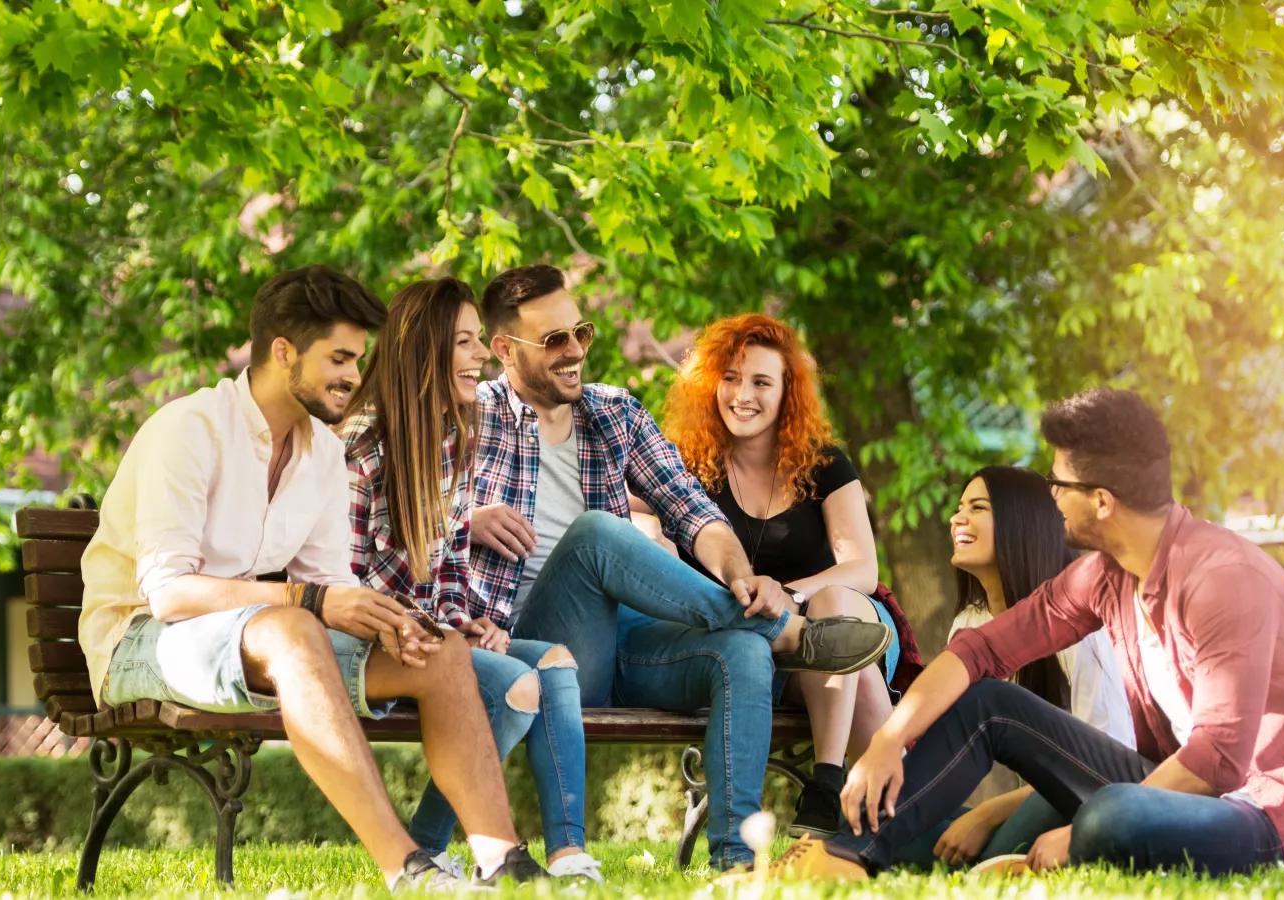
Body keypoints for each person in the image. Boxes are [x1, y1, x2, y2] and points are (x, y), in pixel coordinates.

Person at [745, 387, 1284, 881]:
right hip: (1171, 785)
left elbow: (1221, 758)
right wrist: (887, 738)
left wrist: (1080, 828)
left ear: (1102, 500)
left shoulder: (1224, 578)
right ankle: (849, 857)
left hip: (1268, 816)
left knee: (1114, 813)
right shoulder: (1103, 576)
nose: (1050, 493)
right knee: (988, 703)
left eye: (1059, 482)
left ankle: (1055, 856)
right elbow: (982, 651)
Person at [78, 265, 543, 892]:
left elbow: (328, 584)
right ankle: (406, 867)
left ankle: (503, 859)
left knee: (439, 651)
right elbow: (169, 593)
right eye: (340, 358)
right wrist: (314, 601)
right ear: (282, 352)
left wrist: (388, 621)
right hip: (139, 641)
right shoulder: (188, 430)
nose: (354, 376)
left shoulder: (322, 452)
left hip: (248, 638)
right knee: (295, 628)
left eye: (358, 358)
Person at [462, 264, 892, 872]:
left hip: (619, 645)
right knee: (597, 534)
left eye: (579, 333)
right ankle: (790, 635)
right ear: (503, 350)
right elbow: (386, 498)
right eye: (553, 340)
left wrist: (741, 576)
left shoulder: (614, 414)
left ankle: (736, 861)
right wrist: (465, 519)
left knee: (738, 651)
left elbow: (697, 516)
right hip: (526, 644)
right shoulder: (468, 419)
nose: (574, 351)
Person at [339, 278, 600, 882]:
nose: (481, 355)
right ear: (423, 349)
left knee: (546, 667)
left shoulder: (452, 437)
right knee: (514, 685)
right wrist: (442, 630)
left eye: (479, 340)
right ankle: (452, 852)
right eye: (465, 342)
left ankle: (543, 854)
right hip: (374, 645)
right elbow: (346, 578)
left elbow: (453, 560)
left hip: (434, 636)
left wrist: (467, 621)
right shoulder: (363, 444)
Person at [660, 313, 903, 839]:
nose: (741, 394)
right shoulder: (684, 466)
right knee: (855, 669)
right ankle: (898, 824)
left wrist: (791, 595)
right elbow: (639, 533)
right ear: (709, 384)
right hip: (750, 649)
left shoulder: (825, 464)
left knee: (835, 611)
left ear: (787, 392)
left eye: (761, 382)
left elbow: (862, 567)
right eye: (729, 377)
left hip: (838, 618)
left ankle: (826, 784)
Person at [890, 465, 1133, 868]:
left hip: (1092, 802)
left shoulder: (1079, 624)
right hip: (1031, 807)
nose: (956, 518)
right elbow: (950, 754)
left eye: (978, 507)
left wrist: (988, 814)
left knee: (1013, 820)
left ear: (1021, 521)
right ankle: (992, 861)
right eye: (958, 507)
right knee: (897, 817)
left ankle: (993, 861)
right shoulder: (970, 623)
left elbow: (1107, 772)